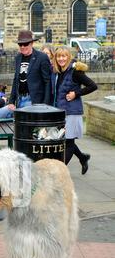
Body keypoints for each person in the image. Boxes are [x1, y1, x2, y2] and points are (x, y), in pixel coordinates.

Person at [52, 46, 97, 174]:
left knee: (69, 142)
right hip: (61, 111)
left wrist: (76, 93)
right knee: (65, 139)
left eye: (64, 56)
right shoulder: (58, 72)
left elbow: (93, 86)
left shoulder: (75, 72)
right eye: (59, 56)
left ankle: (59, 171)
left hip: (72, 111)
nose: (61, 59)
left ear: (69, 57)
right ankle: (83, 157)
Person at [9, 30, 51, 108]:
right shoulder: (18, 57)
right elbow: (16, 80)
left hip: (34, 101)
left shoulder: (41, 57)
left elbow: (47, 81)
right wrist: (11, 101)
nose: (22, 47)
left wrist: (46, 104)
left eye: (25, 44)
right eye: (20, 44)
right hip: (20, 99)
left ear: (31, 43)